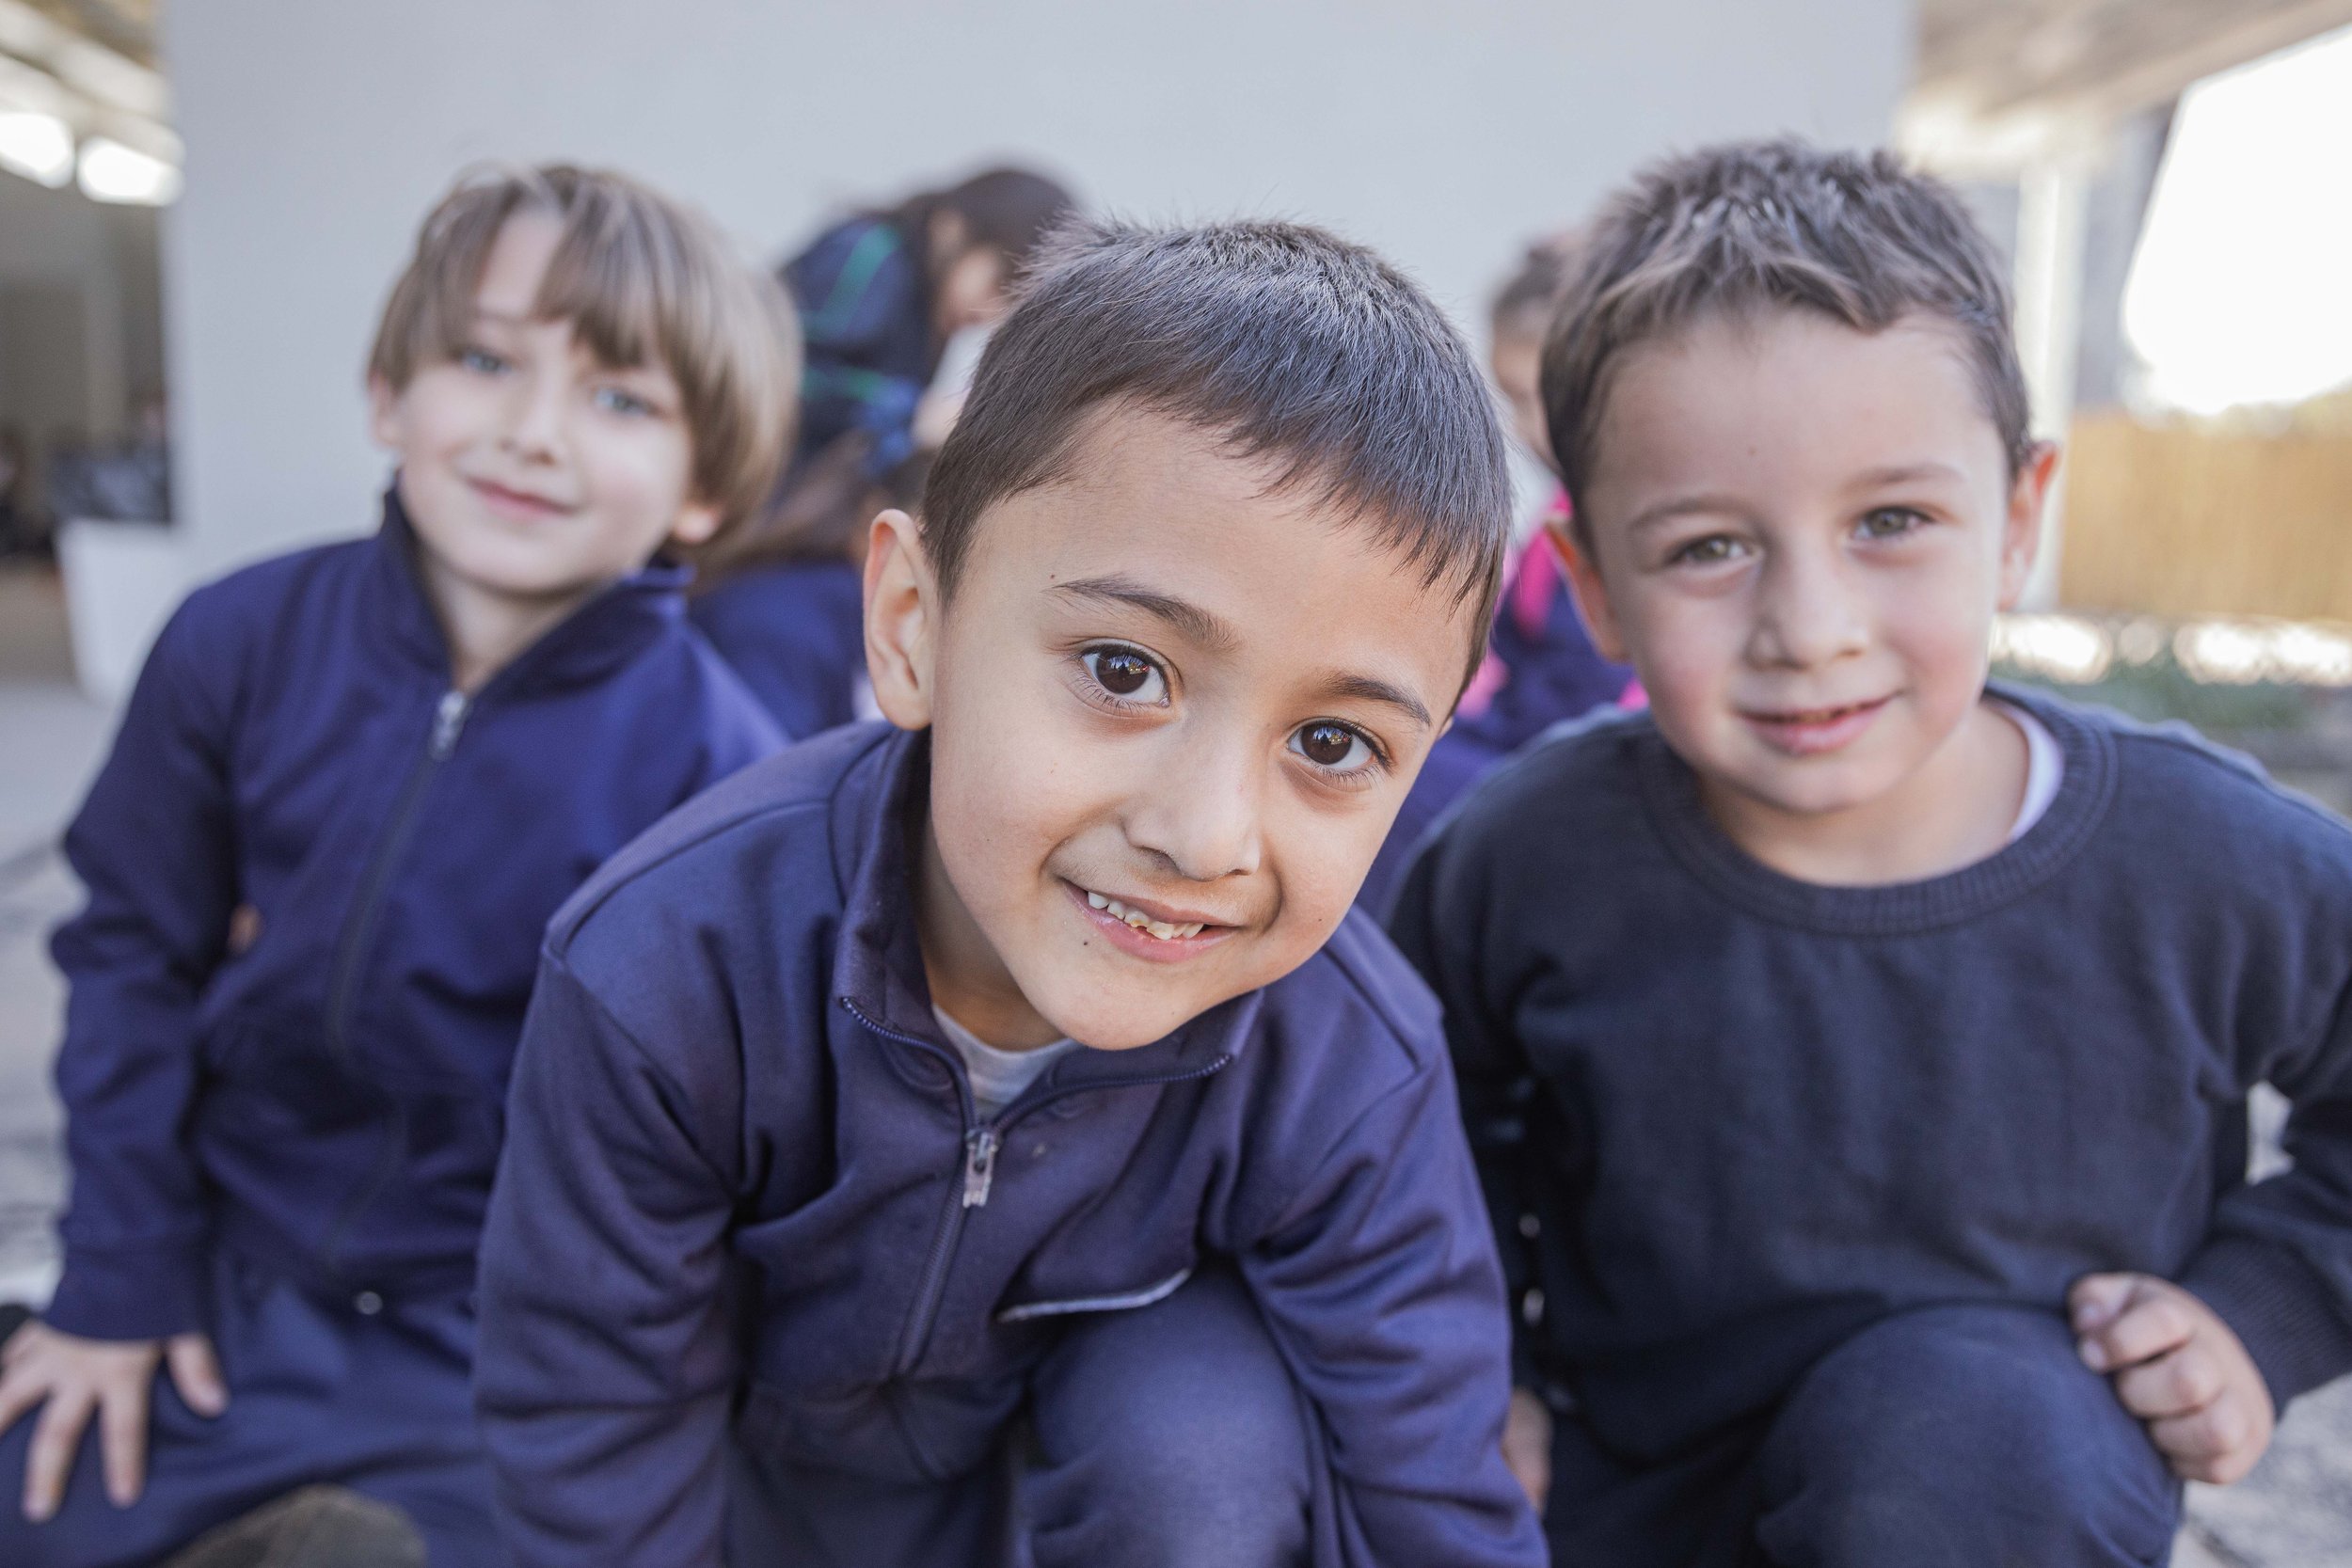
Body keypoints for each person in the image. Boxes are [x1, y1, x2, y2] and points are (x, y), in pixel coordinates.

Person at [474, 218, 1547, 1568]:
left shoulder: (1347, 1065)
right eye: (1121, 668)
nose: (1203, 833)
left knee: (1205, 1441)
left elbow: (1428, 1483)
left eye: (1333, 744)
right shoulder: (669, 967)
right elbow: (592, 1425)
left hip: (1073, 1499)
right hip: (748, 1491)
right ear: (912, 626)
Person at [1391, 137, 2352, 1568]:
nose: (1812, 623)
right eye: (1712, 546)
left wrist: (2262, 1309)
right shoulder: (1528, 855)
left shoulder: (2209, 859)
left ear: (2018, 520)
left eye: (1892, 521)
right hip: (1617, 1497)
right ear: (1592, 584)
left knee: (1964, 1433)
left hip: (1986, 1494)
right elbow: (1407, 1126)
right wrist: (1477, 1374)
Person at [0, 164, 796, 1568]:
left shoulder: (724, 770)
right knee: (45, 1494)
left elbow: (707, 1144)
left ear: (707, 487)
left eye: (621, 397)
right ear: (388, 393)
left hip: (497, 1330)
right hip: (222, 1267)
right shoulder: (237, 640)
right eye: (485, 360)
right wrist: (118, 1271)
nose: (532, 433)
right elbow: (128, 951)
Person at [689, 166, 1073, 740]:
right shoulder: (868, 255)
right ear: (952, 229)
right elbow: (781, 371)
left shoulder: (922, 310)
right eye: (998, 284)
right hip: (747, 516)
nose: (990, 311)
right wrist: (911, 412)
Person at [1356, 235, 1631, 914]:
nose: (1527, 426)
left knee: (1389, 786)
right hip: (1506, 739)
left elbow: (1587, 703)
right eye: (1512, 397)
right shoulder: (1558, 518)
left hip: (1569, 771)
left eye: (1541, 395)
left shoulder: (1624, 530)